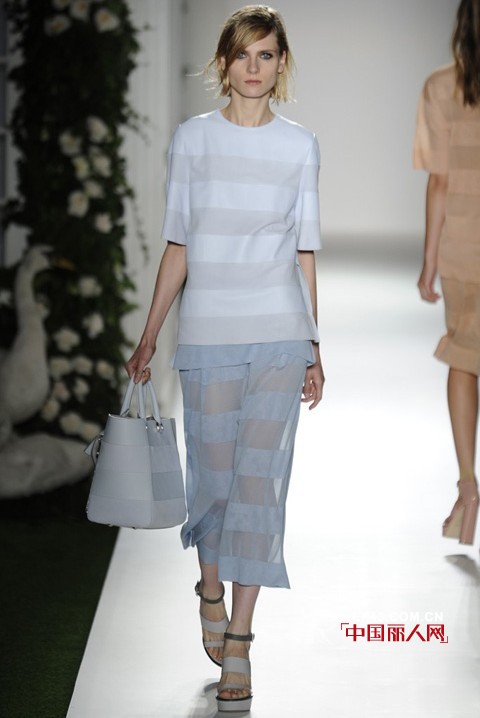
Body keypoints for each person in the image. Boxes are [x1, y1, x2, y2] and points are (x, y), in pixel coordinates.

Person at [126, 4, 324, 712]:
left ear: (280, 64)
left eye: (266, 54)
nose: (253, 66)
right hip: (208, 334)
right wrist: (150, 333)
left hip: (278, 335)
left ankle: (240, 636)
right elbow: (178, 243)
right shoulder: (192, 141)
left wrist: (314, 344)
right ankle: (208, 587)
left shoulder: (300, 147)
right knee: (212, 483)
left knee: (258, 487)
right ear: (224, 62)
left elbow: (304, 250)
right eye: (243, 53)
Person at [414, 0, 480, 547]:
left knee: (464, 358)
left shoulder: (441, 86)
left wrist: (429, 262)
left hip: (464, 245)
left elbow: (438, 180)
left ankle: (467, 486)